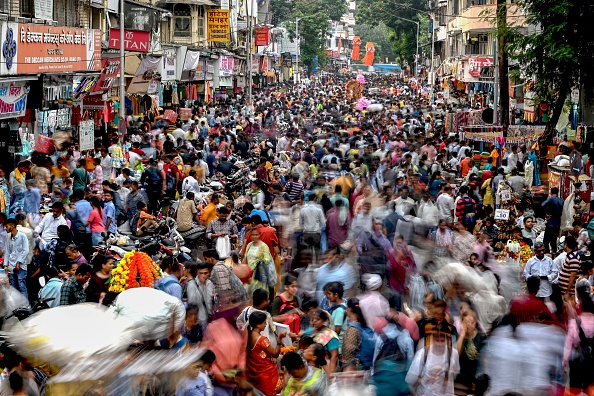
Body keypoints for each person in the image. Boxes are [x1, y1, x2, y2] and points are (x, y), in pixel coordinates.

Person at [246, 311, 286, 396]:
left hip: (256, 371)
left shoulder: (249, 334)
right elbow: (275, 353)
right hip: (266, 373)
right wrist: (279, 339)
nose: (265, 325)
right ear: (257, 324)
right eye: (264, 323)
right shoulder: (262, 340)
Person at [342, 298, 376, 371]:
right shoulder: (365, 327)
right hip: (367, 368)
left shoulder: (352, 329)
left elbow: (347, 353)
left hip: (355, 370)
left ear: (350, 309)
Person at [242, 226, 275, 297]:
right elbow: (245, 258)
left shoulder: (263, 246)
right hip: (249, 275)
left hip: (259, 274)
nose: (254, 236)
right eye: (253, 235)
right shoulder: (249, 245)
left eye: (256, 235)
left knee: (259, 294)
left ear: (259, 235)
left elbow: (267, 259)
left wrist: (260, 260)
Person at [3, 218, 29, 300]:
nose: (5, 228)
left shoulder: (22, 236)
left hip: (21, 267)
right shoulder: (9, 238)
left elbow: (26, 250)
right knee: (13, 288)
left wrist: (18, 262)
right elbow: (7, 252)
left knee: (22, 286)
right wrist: (6, 266)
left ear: (12, 226)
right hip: (11, 266)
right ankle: (16, 306)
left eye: (6, 226)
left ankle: (25, 306)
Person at [185, 261, 215, 331]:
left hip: (208, 317)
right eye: (201, 273)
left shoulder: (210, 283)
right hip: (199, 319)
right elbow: (192, 303)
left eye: (205, 273)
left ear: (209, 273)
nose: (203, 276)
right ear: (197, 273)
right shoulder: (193, 284)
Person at [542, 187, 564, 253]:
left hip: (551, 222)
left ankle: (548, 253)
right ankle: (554, 253)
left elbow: (542, 205)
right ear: (558, 192)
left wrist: (547, 213)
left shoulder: (550, 199)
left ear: (551, 192)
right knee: (553, 239)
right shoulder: (562, 201)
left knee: (546, 240)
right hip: (558, 222)